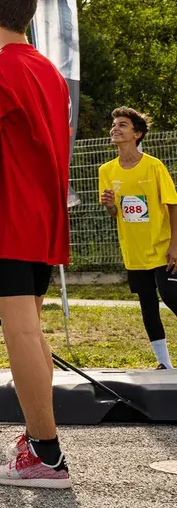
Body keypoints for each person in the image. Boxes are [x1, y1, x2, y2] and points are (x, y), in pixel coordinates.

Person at [0, 0, 73, 489]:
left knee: (21, 332)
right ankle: (37, 442)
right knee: (31, 330)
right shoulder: (49, 71)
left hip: (11, 216)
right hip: (46, 217)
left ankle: (48, 456)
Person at [98, 107, 177, 369]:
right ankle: (164, 364)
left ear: (137, 134)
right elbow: (115, 213)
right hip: (133, 251)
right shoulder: (106, 170)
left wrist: (175, 244)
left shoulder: (154, 166)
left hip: (163, 247)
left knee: (171, 296)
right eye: (114, 125)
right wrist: (110, 206)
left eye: (122, 125)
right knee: (147, 304)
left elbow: (173, 205)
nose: (115, 129)